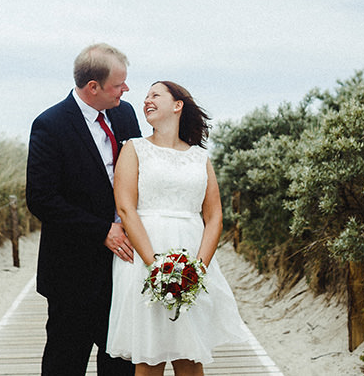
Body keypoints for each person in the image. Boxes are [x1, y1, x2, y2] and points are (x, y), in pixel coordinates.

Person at [106, 81, 248, 376]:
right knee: (149, 358)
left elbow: (214, 217)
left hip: (192, 258)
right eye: (145, 97)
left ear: (177, 105)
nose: (147, 100)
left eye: (155, 95)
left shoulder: (199, 156)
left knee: (189, 356)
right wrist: (155, 266)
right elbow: (125, 209)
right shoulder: (134, 149)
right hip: (144, 260)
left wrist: (198, 270)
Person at [26, 43, 142, 376]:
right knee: (65, 363)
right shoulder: (50, 124)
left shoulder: (125, 113)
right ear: (93, 87)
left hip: (122, 269)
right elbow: (41, 198)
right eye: (119, 84)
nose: (126, 89)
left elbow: (138, 177)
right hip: (70, 273)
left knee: (121, 365)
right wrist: (102, 229)